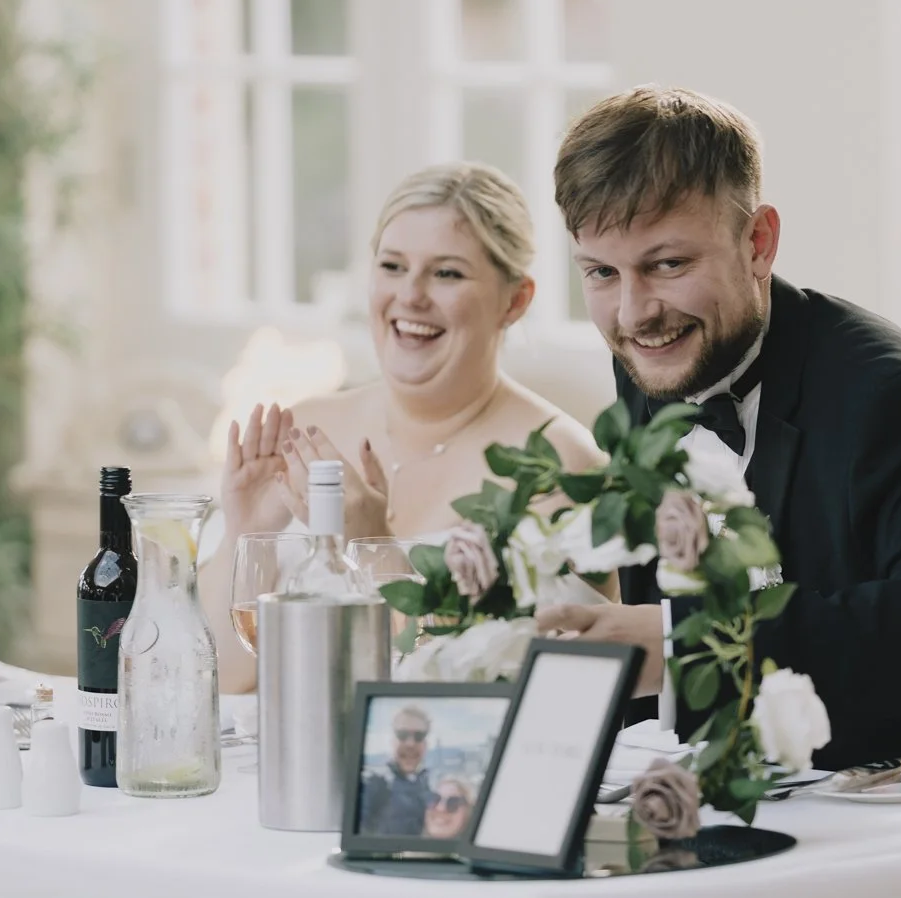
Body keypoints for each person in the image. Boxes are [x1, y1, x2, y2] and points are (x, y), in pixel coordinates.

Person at [533, 85, 901, 786]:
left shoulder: (889, 394)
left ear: (757, 242)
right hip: (739, 803)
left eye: (668, 265)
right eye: (601, 273)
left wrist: (689, 647)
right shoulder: (653, 355)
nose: (633, 312)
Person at [200, 162, 607, 692]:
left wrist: (376, 549)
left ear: (515, 300)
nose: (411, 296)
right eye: (392, 266)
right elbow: (224, 681)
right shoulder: (307, 428)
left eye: (447, 274)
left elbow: (546, 695)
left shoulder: (557, 465)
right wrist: (244, 533)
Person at [359, 704, 436, 837]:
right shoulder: (373, 783)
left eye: (419, 736)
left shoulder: (430, 786)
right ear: (392, 740)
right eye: (402, 735)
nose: (410, 743)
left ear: (425, 744)